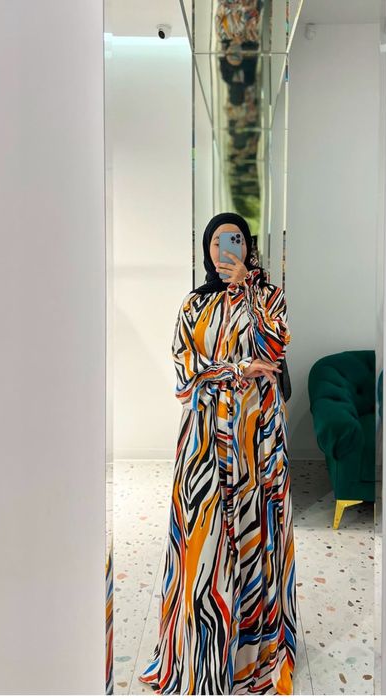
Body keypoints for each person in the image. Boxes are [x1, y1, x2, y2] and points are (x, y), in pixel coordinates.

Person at [138, 212, 297, 695]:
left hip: (257, 437)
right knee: (204, 538)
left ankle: (252, 651)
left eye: (236, 239)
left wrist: (247, 289)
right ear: (206, 250)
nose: (227, 248)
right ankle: (205, 650)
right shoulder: (194, 303)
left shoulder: (268, 296)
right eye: (217, 242)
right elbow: (184, 366)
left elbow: (276, 346)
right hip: (206, 438)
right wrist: (237, 369)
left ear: (248, 247)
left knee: (255, 534)